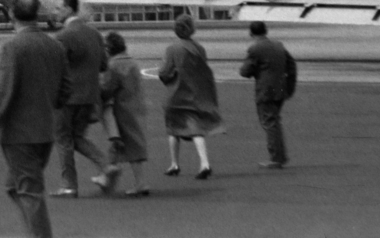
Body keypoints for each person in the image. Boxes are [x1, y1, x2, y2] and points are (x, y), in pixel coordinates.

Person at [0, 0, 71, 238]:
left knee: (28, 192)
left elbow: (3, 90)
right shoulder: (55, 45)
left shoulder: (13, 47)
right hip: (45, 131)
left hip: (19, 134)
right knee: (14, 187)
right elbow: (65, 90)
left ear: (11, 14)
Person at [51, 0, 108, 197]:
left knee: (63, 139)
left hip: (67, 97)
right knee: (76, 137)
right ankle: (106, 165)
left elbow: (53, 68)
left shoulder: (63, 36)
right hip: (90, 96)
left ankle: (69, 185)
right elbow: (103, 65)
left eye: (58, 8)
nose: (54, 12)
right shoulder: (94, 34)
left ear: (68, 9)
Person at [158, 13, 223, 180]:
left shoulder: (172, 49)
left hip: (176, 94)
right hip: (195, 94)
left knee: (173, 129)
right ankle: (204, 163)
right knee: (196, 131)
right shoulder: (199, 49)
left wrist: (167, 77)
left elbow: (165, 72)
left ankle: (174, 164)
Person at [94, 32, 150, 197]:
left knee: (125, 143)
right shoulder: (132, 62)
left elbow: (108, 88)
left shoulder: (114, 65)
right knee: (127, 143)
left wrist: (97, 87)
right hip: (138, 106)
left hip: (122, 109)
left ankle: (140, 183)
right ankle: (105, 176)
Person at [239, 20, 297, 169]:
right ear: (266, 31)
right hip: (281, 88)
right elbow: (291, 65)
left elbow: (245, 72)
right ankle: (279, 156)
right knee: (274, 121)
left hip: (266, 90)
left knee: (270, 123)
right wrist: (289, 86)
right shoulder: (278, 45)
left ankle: (276, 158)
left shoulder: (255, 49)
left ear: (251, 33)